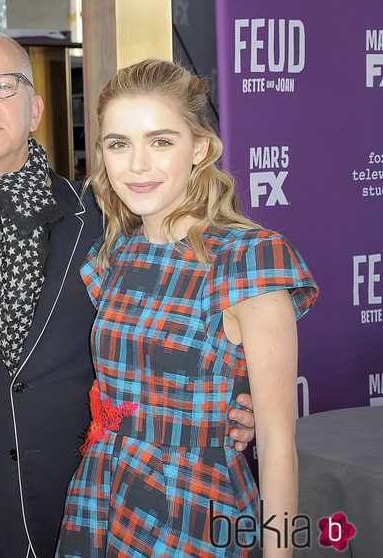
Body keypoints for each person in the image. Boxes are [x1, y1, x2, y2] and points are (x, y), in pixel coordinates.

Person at [0, 30, 257, 558]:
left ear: (36, 109)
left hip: (105, 506)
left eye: (3, 85)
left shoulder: (116, 216)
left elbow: (215, 308)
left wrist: (247, 397)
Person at [57, 59, 317, 557]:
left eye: (160, 141)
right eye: (119, 144)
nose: (137, 165)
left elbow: (280, 446)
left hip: (195, 507)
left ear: (199, 148)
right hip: (103, 492)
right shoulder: (115, 257)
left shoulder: (247, 259)